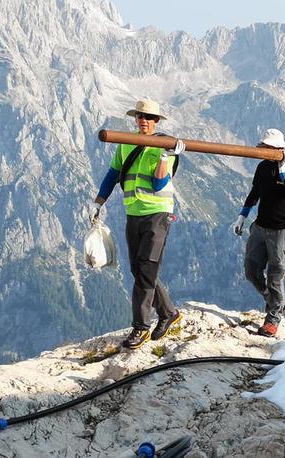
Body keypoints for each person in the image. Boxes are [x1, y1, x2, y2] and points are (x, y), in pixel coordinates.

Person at [91, 99, 184, 349]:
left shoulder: (166, 146)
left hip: (158, 214)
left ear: (156, 121)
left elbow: (158, 184)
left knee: (146, 268)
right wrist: (98, 202)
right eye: (139, 116)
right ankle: (169, 313)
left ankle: (140, 327)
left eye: (148, 117)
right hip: (133, 213)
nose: (143, 120)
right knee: (138, 269)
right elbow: (112, 175)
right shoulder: (125, 144)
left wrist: (166, 157)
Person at [232, 128, 285, 337]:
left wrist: (283, 171)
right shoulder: (263, 167)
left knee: (275, 276)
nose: (261, 150)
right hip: (261, 227)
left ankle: (273, 318)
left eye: (264, 147)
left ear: (276, 148)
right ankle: (280, 303)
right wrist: (242, 216)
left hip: (283, 231)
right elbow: (255, 192)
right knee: (251, 270)